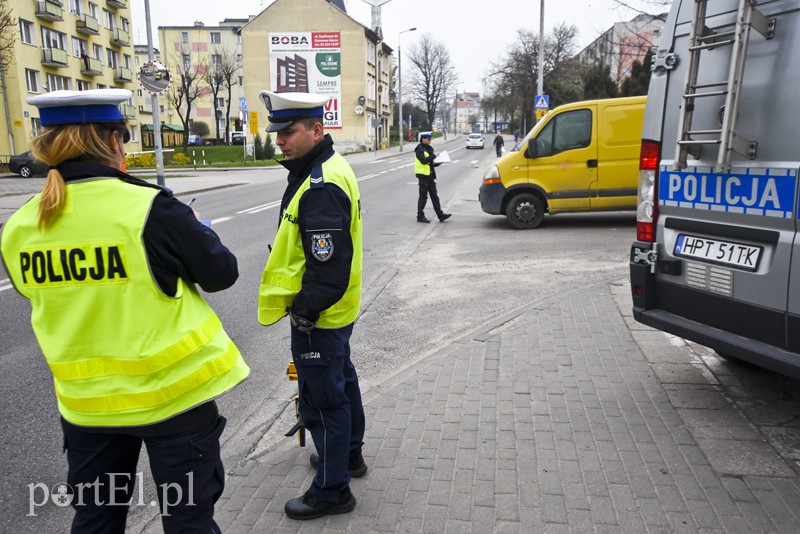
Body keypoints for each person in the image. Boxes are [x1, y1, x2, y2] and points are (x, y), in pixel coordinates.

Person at [0, 89, 250, 533]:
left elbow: (35, 292)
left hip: (88, 411)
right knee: (188, 520)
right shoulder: (151, 208)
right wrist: (190, 231)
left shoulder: (20, 225)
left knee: (96, 519)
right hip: (173, 402)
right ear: (114, 142)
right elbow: (222, 273)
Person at [257, 90, 367, 521]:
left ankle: (332, 491)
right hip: (338, 312)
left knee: (323, 402)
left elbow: (327, 267)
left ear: (316, 130)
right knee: (343, 382)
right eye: (277, 133)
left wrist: (303, 311)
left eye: (288, 131)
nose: (279, 140)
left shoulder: (320, 185)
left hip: (320, 316)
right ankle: (349, 458)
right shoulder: (324, 169)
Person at [414, 132, 451, 223]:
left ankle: (440, 215)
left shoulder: (429, 148)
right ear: (423, 139)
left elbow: (431, 162)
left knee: (434, 195)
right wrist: (434, 155)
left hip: (430, 175)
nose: (430, 140)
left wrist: (440, 161)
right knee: (423, 196)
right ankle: (420, 215)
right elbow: (423, 161)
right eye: (429, 139)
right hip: (423, 175)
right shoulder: (419, 149)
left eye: (430, 139)